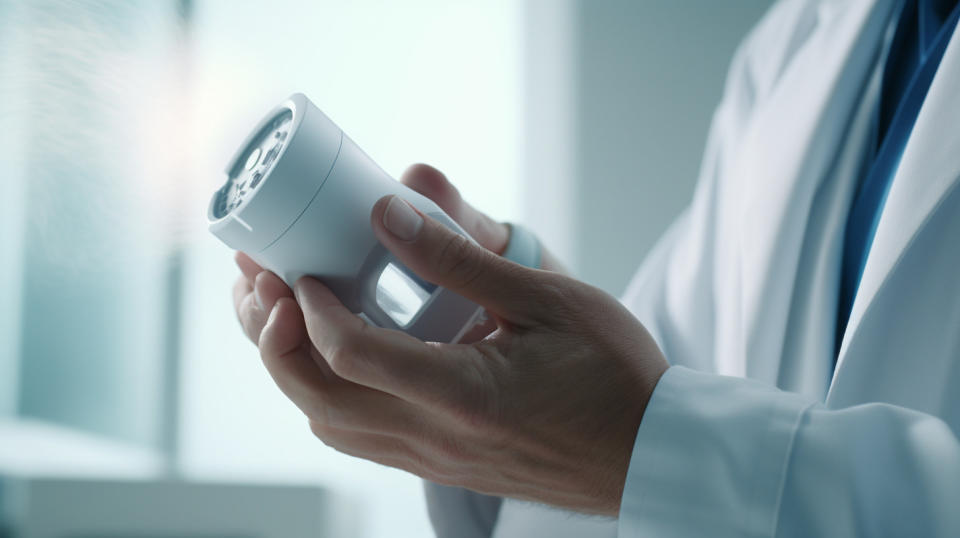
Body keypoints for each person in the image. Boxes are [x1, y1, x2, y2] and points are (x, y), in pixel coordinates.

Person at [232, 0, 960, 535]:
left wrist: (648, 450)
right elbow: (682, 378)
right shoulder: (801, 42)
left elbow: (661, 434)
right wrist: (497, 331)